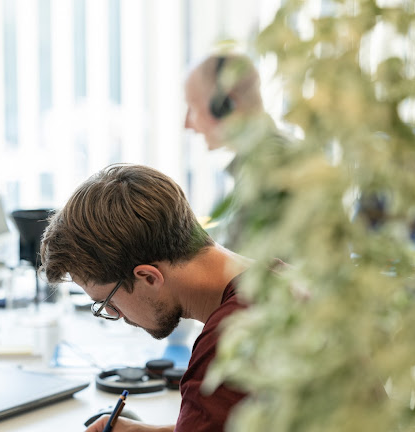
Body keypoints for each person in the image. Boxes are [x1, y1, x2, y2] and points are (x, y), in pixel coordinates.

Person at [40, 164, 260, 432]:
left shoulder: (228, 346)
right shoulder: (281, 281)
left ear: (149, 277)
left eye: (108, 302)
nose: (115, 315)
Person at [184, 52, 289, 251]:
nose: (187, 124)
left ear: (224, 105)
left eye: (193, 108)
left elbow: (238, 263)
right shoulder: (263, 158)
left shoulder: (267, 167)